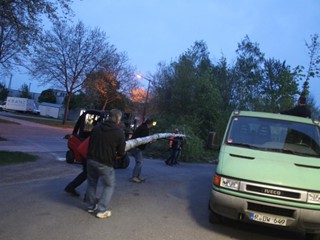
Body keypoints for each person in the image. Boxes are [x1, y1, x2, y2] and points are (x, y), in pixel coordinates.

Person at [85, 109, 126, 219]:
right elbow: (121, 152)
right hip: (105, 163)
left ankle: (91, 206)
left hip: (91, 160)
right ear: (117, 119)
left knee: (91, 184)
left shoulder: (97, 128)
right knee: (109, 185)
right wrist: (115, 155)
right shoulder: (119, 132)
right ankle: (102, 210)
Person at [130, 118, 155, 183]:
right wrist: (151, 141)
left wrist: (149, 140)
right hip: (137, 147)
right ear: (150, 123)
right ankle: (135, 177)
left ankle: (137, 176)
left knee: (140, 162)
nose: (152, 125)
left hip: (135, 146)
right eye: (152, 124)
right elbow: (144, 140)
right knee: (139, 162)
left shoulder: (142, 127)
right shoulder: (145, 129)